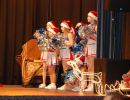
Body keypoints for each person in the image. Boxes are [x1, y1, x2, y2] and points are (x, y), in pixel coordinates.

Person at [34, 21, 58, 89]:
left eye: (48, 25)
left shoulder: (54, 36)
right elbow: (41, 44)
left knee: (51, 70)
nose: (47, 26)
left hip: (51, 54)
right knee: (45, 68)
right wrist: (38, 36)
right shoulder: (45, 34)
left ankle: (52, 83)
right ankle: (44, 83)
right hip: (46, 53)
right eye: (46, 25)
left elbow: (54, 46)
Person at [57, 20, 75, 90]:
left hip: (68, 53)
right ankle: (67, 84)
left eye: (62, 26)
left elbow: (71, 43)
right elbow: (60, 46)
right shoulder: (61, 35)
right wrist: (60, 56)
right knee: (65, 70)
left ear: (65, 27)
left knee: (68, 70)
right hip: (63, 53)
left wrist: (63, 41)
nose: (61, 28)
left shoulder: (69, 34)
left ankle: (70, 85)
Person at [84, 10, 98, 92]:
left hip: (93, 48)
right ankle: (90, 84)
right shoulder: (88, 26)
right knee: (89, 67)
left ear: (93, 18)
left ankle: (92, 84)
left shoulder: (97, 26)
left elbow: (99, 39)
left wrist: (91, 36)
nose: (87, 18)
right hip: (88, 48)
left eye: (89, 16)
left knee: (92, 67)